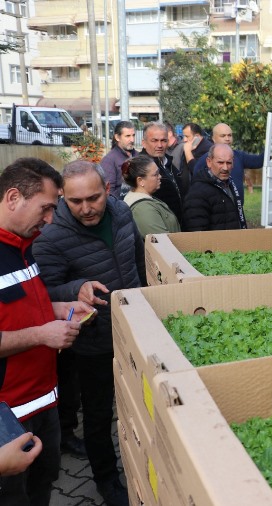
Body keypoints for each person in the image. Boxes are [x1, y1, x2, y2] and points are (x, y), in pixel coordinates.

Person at [33, 160, 146, 506]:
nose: (86, 208)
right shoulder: (51, 238)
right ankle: (107, 481)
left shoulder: (122, 213)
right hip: (94, 343)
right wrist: (76, 288)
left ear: (107, 191)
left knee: (142, 404)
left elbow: (138, 258)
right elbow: (42, 294)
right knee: (98, 417)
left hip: (137, 329)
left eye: (93, 198)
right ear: (62, 197)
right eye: (75, 201)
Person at [0, 157, 90, 506]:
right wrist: (42, 335)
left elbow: (19, 308)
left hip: (42, 404)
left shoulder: (22, 246)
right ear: (13, 198)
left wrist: (59, 310)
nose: (50, 219)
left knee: (41, 488)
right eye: (46, 208)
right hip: (8, 418)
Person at [194, 123, 264, 203]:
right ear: (214, 138)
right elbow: (196, 185)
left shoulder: (239, 156)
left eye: (229, 135)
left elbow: (259, 161)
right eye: (223, 136)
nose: (227, 139)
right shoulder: (205, 160)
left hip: (237, 208)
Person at [183, 143, 247, 231]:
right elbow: (197, 233)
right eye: (220, 162)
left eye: (229, 163)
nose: (225, 168)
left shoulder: (230, 184)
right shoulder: (197, 193)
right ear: (209, 162)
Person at [122, 155, 182, 239]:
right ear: (141, 181)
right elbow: (161, 242)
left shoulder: (146, 201)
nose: (160, 176)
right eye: (155, 174)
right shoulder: (143, 209)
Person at [140, 122, 185, 227]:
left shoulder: (168, 164)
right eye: (154, 141)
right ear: (144, 143)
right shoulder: (139, 167)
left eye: (163, 141)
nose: (160, 145)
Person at [99, 120, 137, 199]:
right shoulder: (109, 161)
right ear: (117, 137)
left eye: (133, 135)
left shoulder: (138, 156)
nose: (132, 140)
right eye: (128, 136)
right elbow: (109, 193)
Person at [180, 122, 212, 194]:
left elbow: (196, 170)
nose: (184, 140)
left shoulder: (207, 149)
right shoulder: (191, 147)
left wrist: (188, 152)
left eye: (187, 136)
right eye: (183, 136)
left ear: (197, 136)